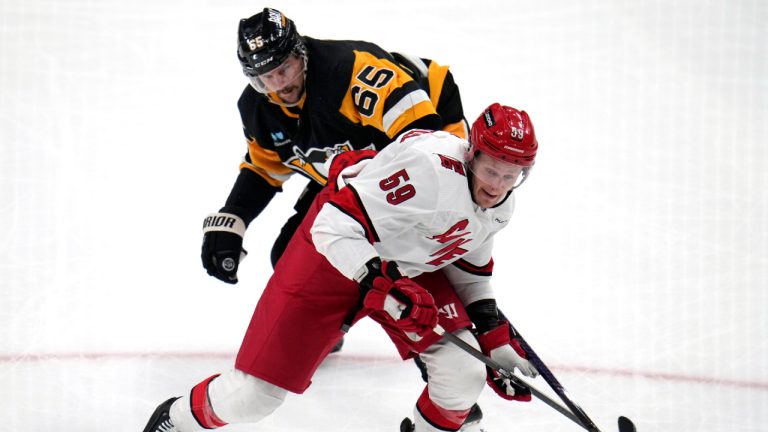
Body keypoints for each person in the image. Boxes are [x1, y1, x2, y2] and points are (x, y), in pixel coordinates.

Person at [143, 103, 541, 432]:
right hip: (330, 257)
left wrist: (492, 333)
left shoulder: (502, 202)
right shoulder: (428, 170)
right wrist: (377, 280)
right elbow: (331, 226)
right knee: (252, 398)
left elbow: (468, 265)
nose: (497, 186)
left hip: (401, 270)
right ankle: (176, 421)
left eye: (512, 175)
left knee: (464, 369)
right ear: (471, 154)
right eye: (491, 170)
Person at [200, 7, 468, 286]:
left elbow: (423, 135)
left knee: (419, 244)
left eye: (284, 68)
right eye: (267, 76)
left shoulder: (347, 70)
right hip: (355, 166)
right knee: (290, 259)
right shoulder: (257, 109)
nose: (280, 84)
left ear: (300, 53)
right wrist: (234, 216)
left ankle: (469, 310)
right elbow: (266, 168)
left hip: (433, 121)